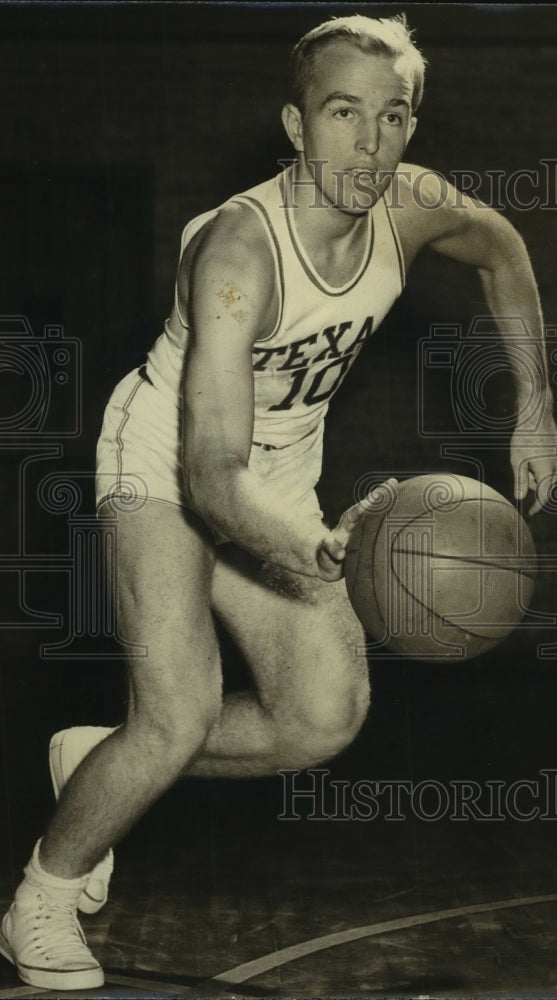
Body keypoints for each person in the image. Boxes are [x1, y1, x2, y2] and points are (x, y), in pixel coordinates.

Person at [1, 13, 556, 991]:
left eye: (392, 117)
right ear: (296, 127)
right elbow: (213, 474)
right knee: (175, 713)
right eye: (342, 113)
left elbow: (501, 247)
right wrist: (305, 540)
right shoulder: (235, 253)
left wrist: (534, 407)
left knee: (322, 716)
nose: (368, 142)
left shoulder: (410, 205)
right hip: (168, 466)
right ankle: (43, 891)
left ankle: (103, 760)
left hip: (283, 471)